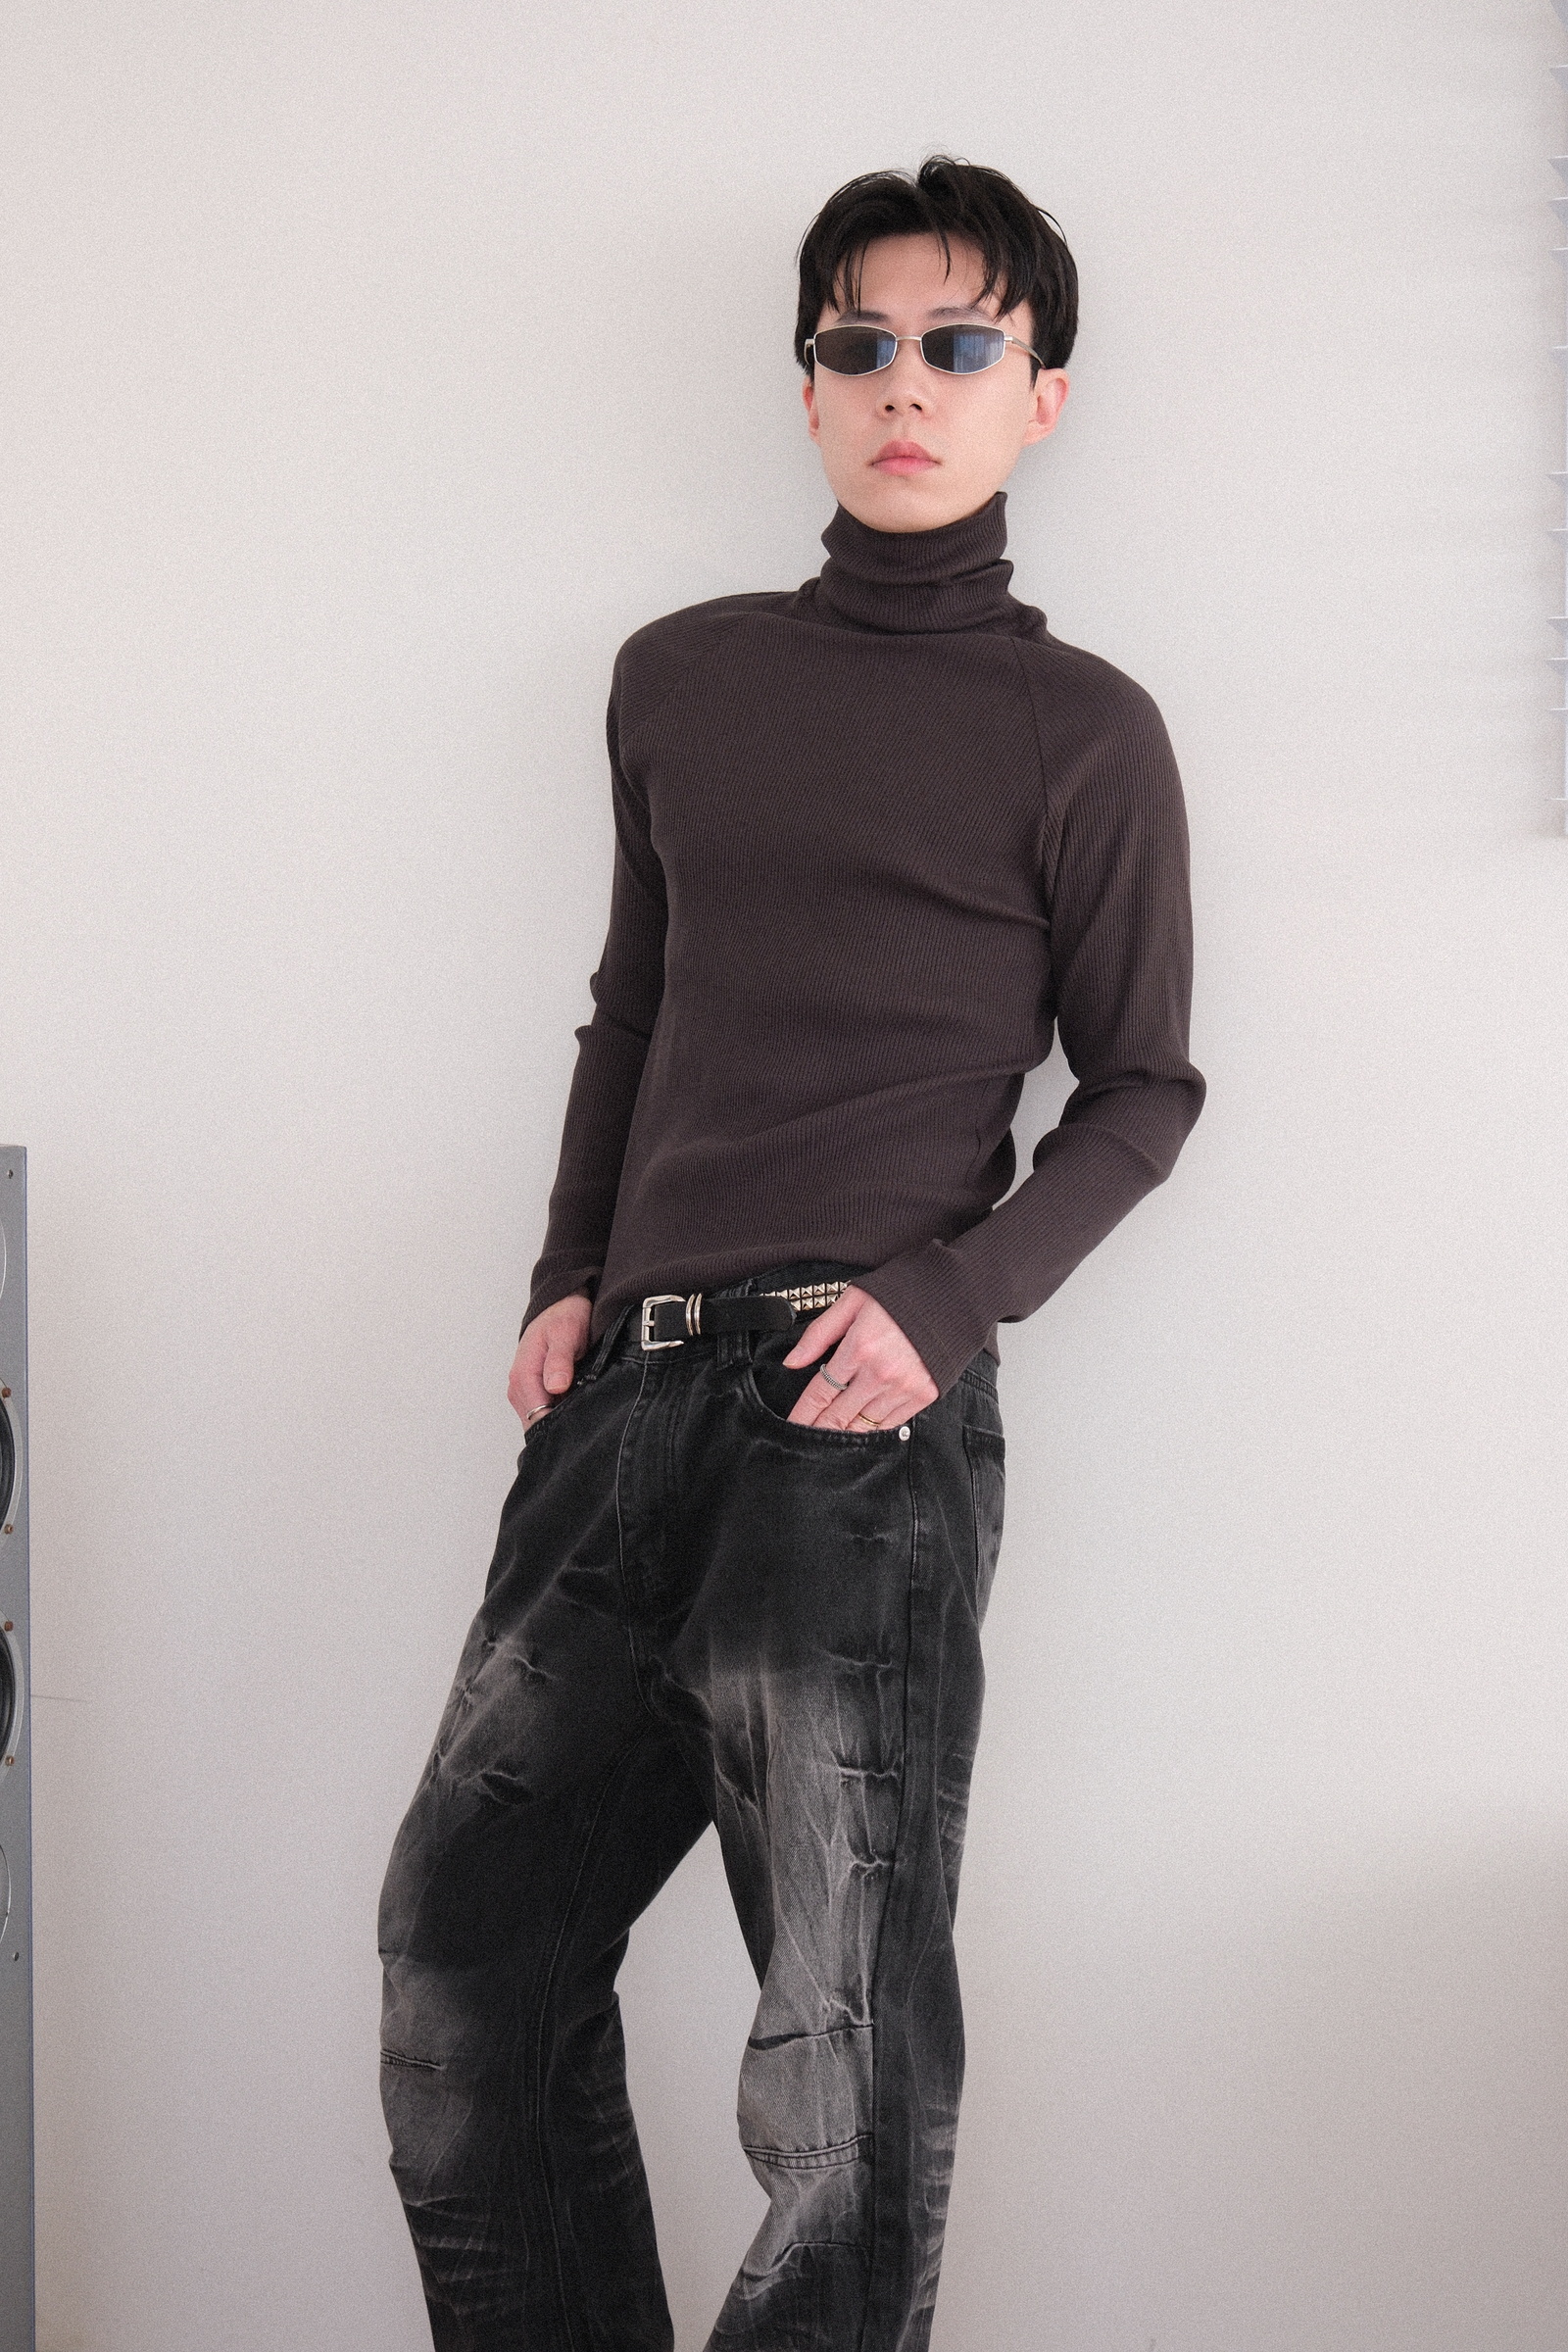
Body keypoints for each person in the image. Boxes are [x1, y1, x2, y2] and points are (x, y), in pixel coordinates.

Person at [378, 155, 1204, 2352]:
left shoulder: (1085, 732)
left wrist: (944, 1305)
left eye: (960, 343)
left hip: (855, 1425)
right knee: (467, 1971)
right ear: (808, 384)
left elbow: (1142, 1091)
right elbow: (636, 1011)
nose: (904, 384)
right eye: (860, 344)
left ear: (1040, 392)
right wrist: (565, 1270)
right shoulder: (680, 679)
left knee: (836, 2065)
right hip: (617, 1404)